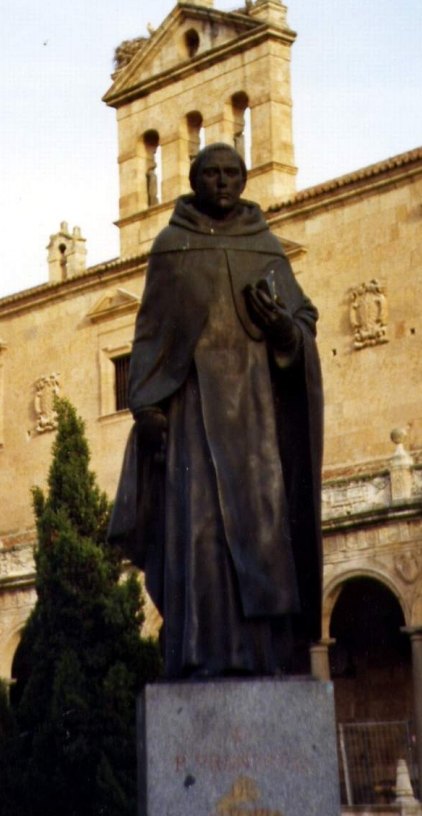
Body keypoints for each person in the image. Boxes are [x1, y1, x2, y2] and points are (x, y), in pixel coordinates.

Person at [108, 143, 323, 678]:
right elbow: (149, 334)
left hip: (255, 419)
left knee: (264, 533)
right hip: (194, 420)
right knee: (201, 538)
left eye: (232, 174)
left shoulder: (266, 247)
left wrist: (282, 330)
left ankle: (266, 656)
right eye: (212, 174)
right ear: (195, 180)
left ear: (245, 180)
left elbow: (304, 320)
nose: (223, 183)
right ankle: (202, 654)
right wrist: (147, 405)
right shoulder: (171, 246)